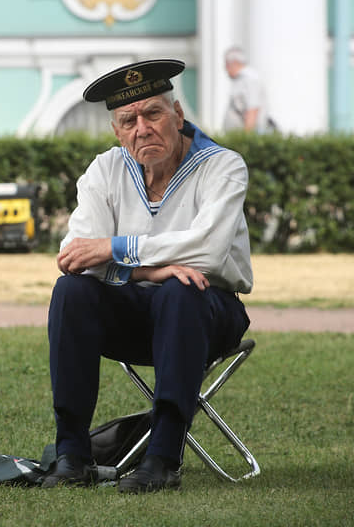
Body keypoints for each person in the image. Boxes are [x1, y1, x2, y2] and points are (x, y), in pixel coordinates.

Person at [41, 59, 252, 493]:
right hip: (135, 312)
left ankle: (162, 459)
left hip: (209, 313)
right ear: (118, 131)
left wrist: (116, 248)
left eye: (153, 113)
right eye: (128, 120)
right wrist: (154, 267)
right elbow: (77, 255)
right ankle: (72, 455)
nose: (143, 128)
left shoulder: (224, 166)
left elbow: (207, 252)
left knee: (182, 287)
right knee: (72, 290)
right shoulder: (105, 169)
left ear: (176, 115)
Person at [222, 47, 272, 133]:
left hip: (249, 136)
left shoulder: (250, 79)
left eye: (226, 64)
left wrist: (246, 137)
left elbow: (252, 109)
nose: (225, 68)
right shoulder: (240, 80)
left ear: (234, 63)